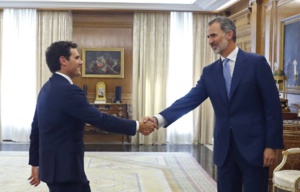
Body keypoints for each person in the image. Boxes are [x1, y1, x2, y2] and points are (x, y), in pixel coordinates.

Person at [144, 16, 284, 192]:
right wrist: (159, 119)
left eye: (213, 36)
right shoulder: (210, 72)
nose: (210, 41)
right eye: (208, 37)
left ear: (229, 34)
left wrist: (271, 146)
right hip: (224, 151)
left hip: (254, 149)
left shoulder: (256, 63)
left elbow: (272, 107)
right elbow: (189, 100)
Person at [28, 41, 157, 192]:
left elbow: (35, 128)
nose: (81, 62)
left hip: (55, 169)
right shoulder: (68, 91)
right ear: (63, 60)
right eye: (76, 58)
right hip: (66, 171)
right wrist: (137, 126)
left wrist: (35, 163)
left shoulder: (46, 88)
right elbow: (100, 119)